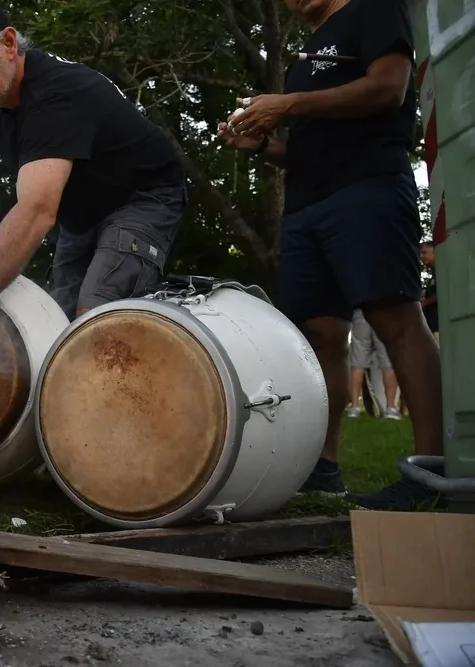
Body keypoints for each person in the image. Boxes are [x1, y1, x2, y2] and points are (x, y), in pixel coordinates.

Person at [217, 0, 442, 510]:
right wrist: (260, 147)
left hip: (368, 187)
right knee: (318, 335)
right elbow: (305, 151)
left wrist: (289, 104)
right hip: (306, 207)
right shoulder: (304, 56)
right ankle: (323, 470)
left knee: (395, 318)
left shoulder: (373, 10)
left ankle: (432, 472)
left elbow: (389, 87)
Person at [0, 0, 187, 376]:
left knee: (95, 320)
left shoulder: (55, 96)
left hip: (143, 198)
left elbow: (36, 212)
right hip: (80, 213)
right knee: (54, 328)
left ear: (9, 43)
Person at [347, 309, 400, 419]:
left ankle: (354, 407)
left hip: (360, 310)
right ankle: (390, 407)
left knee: (358, 361)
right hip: (384, 310)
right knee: (387, 359)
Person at [421, 241, 438, 343]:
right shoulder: (434, 273)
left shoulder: (442, 270)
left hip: (440, 324)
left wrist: (424, 303)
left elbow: (442, 293)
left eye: (424, 252)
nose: (422, 257)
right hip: (432, 325)